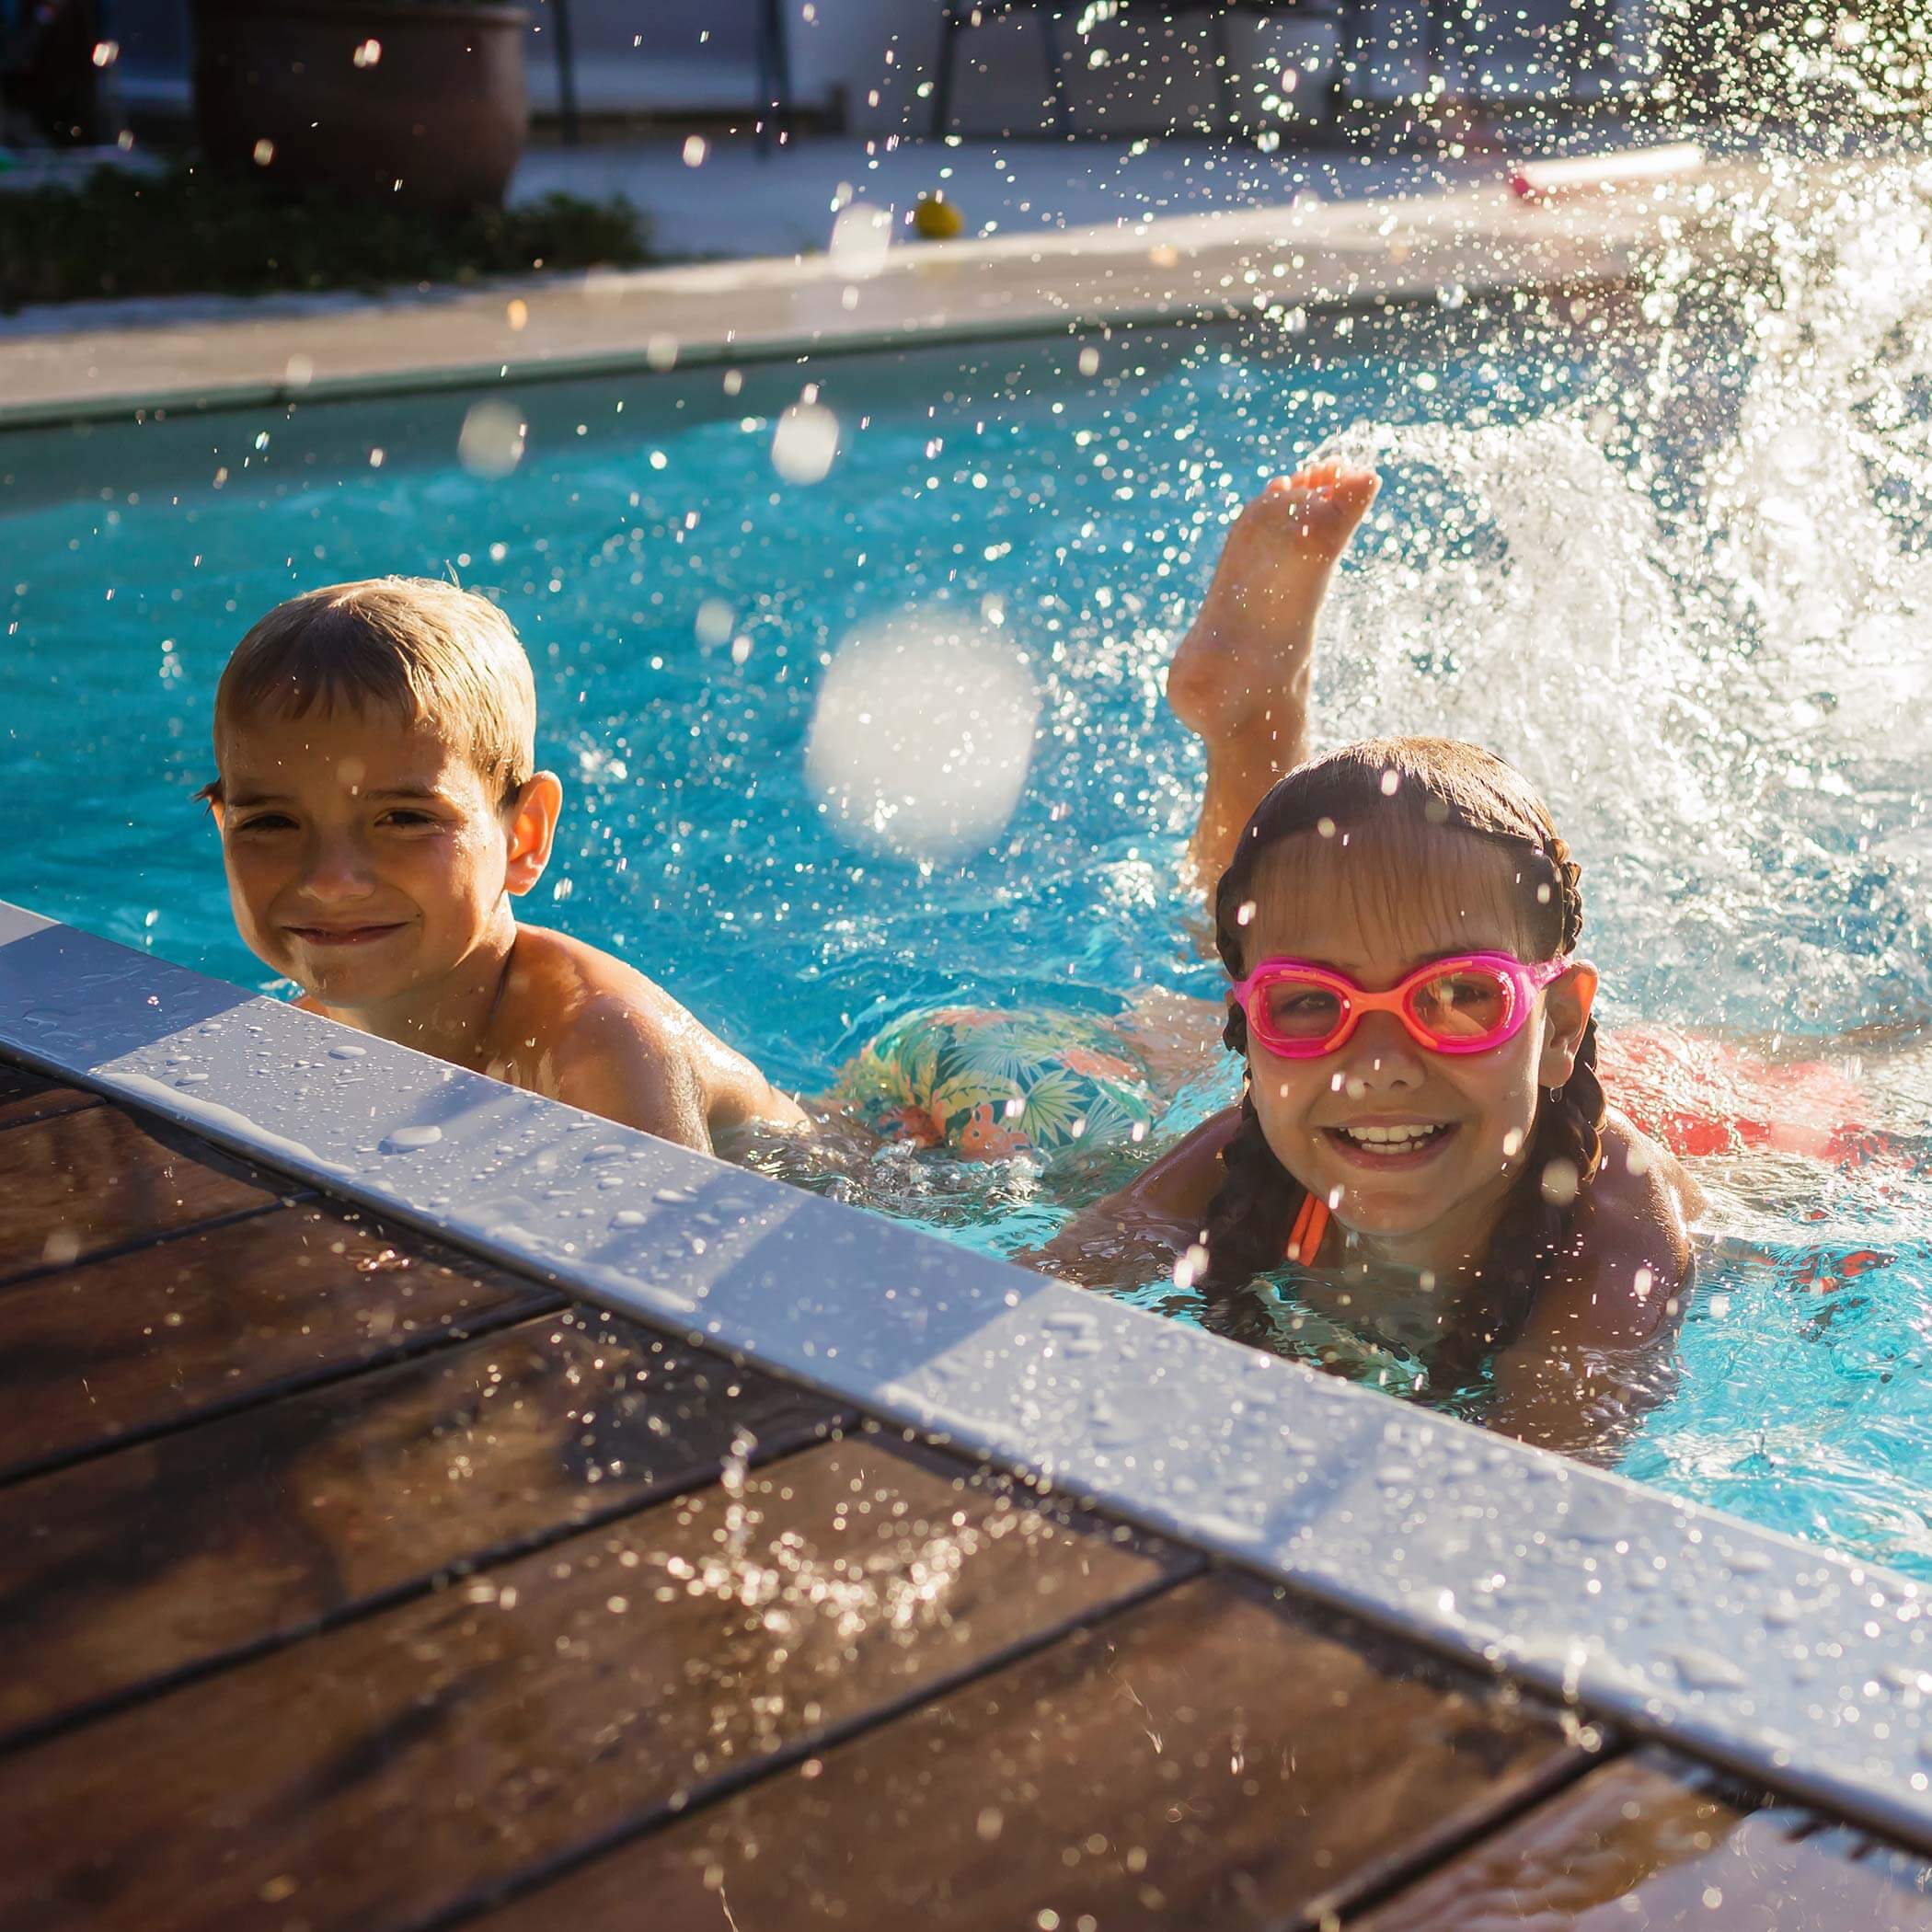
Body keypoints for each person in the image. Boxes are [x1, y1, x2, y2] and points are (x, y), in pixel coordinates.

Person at [1032, 463, 1716, 1455]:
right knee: (1276, 929)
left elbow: (1535, 1497)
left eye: (1455, 996)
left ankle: (1259, 736)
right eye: (1309, 1009)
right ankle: (1253, 731)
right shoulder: (1253, 1146)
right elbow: (1010, 1317)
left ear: (1562, 1024)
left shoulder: (1616, 1223)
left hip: (1736, 1131)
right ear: (1254, 1036)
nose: (1380, 1062)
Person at [200, 578, 805, 1153]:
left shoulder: (603, 1044)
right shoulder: (291, 1038)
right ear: (225, 827)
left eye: (405, 819)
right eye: (272, 823)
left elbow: (680, 1252)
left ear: (523, 836)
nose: (330, 882)